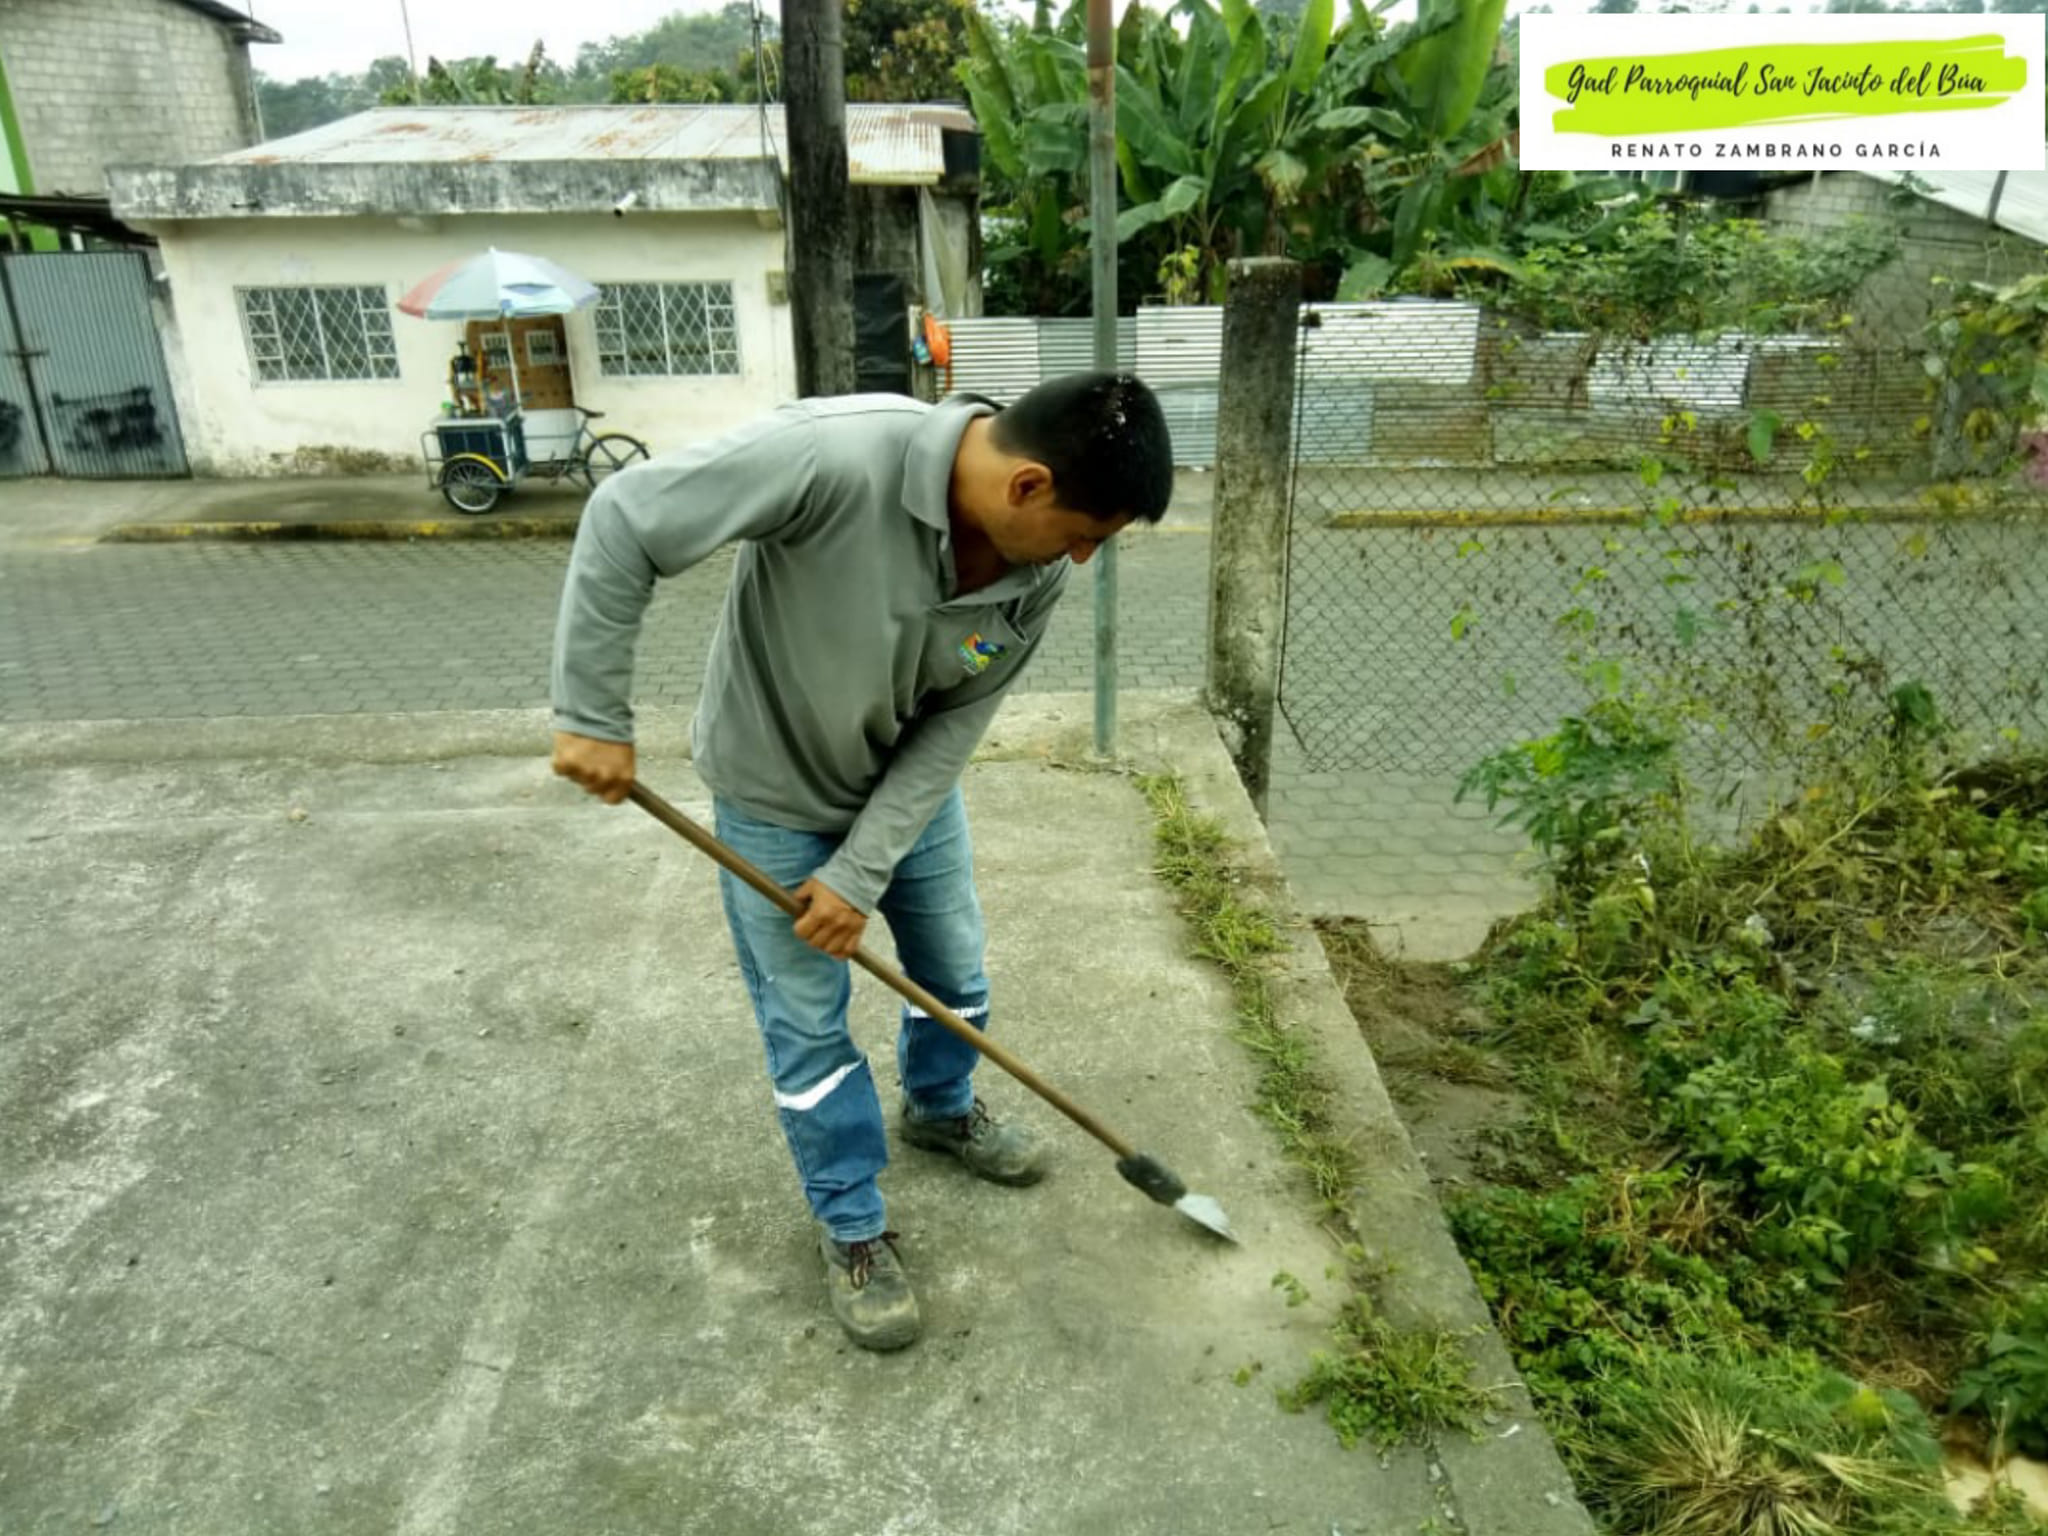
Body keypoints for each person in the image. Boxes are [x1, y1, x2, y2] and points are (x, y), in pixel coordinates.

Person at [549, 372, 1175, 1350]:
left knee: (955, 975)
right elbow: (626, 516)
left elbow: (954, 722)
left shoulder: (1035, 572)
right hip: (772, 799)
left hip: (905, 797)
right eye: (1086, 533)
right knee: (808, 1028)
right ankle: (850, 1222)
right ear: (1028, 485)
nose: (1084, 558)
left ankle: (940, 1107)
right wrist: (592, 711)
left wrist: (859, 872)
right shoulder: (827, 457)